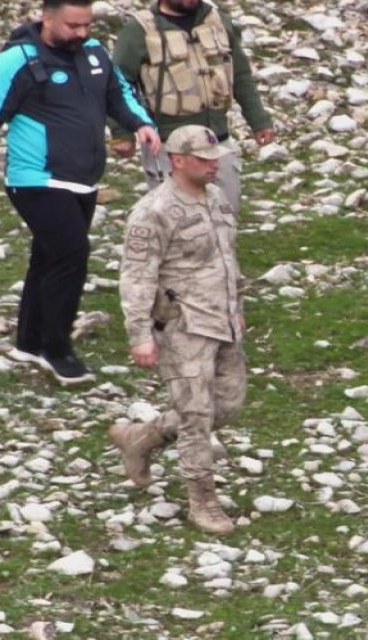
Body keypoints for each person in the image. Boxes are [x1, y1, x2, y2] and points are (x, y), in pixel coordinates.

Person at [0, 0, 160, 385]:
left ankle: (28, 340)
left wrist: (141, 123)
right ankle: (57, 350)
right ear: (47, 18)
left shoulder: (93, 53)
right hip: (35, 178)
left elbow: (118, 93)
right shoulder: (17, 60)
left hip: (83, 179)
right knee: (71, 255)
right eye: (73, 25)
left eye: (87, 24)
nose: (82, 33)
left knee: (48, 256)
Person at [111, 125, 248, 535]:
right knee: (195, 415)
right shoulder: (153, 211)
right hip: (183, 325)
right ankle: (202, 500)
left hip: (222, 319)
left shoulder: (217, 198)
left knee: (228, 403)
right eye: (205, 159)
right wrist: (139, 335)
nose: (214, 165)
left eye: (216, 158)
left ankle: (143, 438)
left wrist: (237, 305)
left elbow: (227, 256)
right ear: (177, 160)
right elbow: (136, 276)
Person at [109, 0, 275, 214]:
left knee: (224, 217)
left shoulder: (218, 21)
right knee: (175, 223)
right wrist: (122, 132)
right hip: (169, 148)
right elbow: (117, 84)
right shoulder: (139, 30)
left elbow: (241, 74)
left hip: (217, 142)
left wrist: (258, 120)